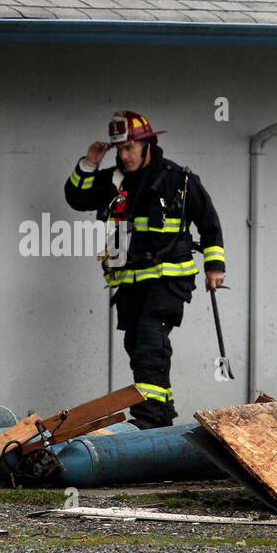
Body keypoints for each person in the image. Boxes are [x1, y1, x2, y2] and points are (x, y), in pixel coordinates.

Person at [64, 111, 226, 428]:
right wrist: (89, 163)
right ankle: (162, 415)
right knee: (138, 345)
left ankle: (148, 418)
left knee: (150, 344)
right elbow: (77, 197)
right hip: (129, 283)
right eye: (119, 150)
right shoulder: (113, 180)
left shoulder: (178, 179)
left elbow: (209, 223)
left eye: (130, 149)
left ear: (147, 144)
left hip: (168, 280)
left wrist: (214, 265)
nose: (124, 156)